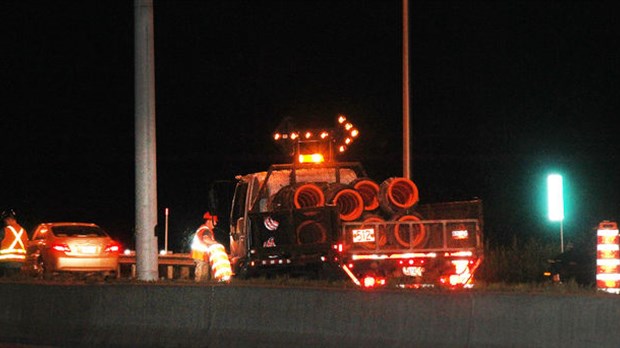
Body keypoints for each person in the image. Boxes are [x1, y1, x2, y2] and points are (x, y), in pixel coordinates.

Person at [191, 212, 232, 282]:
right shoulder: (205, 230)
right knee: (202, 279)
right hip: (201, 257)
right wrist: (216, 243)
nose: (215, 224)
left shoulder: (203, 229)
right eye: (214, 222)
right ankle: (199, 291)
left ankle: (201, 291)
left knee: (204, 279)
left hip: (202, 257)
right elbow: (206, 239)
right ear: (209, 221)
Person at [0, 209, 29, 276]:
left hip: (6, 262)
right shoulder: (23, 231)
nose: (5, 222)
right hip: (20, 262)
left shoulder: (5, 230)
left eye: (5, 220)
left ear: (9, 219)